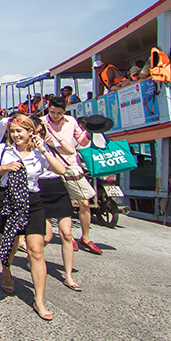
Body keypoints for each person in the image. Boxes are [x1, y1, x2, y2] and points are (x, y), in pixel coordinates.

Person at [0, 113, 68, 321]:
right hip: (8, 200)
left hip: (33, 200)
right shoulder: (4, 150)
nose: (15, 135)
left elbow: (61, 169)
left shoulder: (38, 153)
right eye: (12, 131)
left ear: (31, 132)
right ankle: (7, 269)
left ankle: (39, 299)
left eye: (19, 131)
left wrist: (45, 150)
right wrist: (4, 168)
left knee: (36, 250)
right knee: (10, 244)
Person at [41, 96, 102, 258]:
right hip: (51, 167)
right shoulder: (41, 122)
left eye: (58, 113)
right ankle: (66, 235)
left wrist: (90, 132)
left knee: (84, 201)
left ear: (65, 112)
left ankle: (86, 237)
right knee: (59, 206)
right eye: (52, 111)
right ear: (48, 107)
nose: (54, 115)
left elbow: (81, 142)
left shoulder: (71, 121)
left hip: (71, 166)